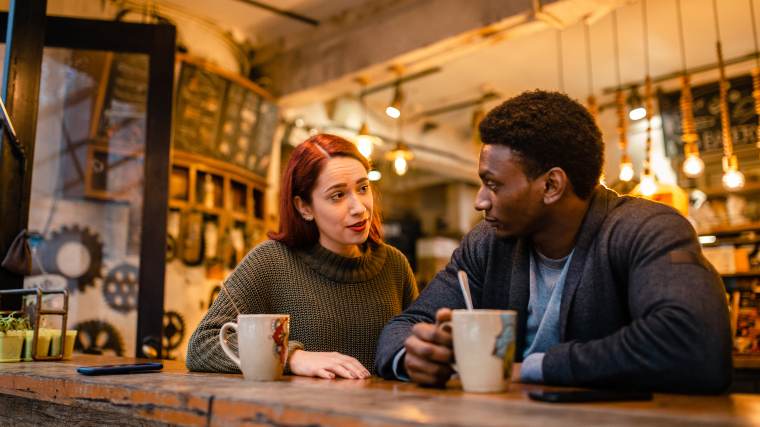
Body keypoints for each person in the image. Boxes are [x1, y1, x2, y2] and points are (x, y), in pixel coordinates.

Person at [375, 90, 732, 393]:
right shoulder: (486, 243)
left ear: (551, 185)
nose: (480, 201)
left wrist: (534, 368)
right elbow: (399, 329)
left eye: (494, 184)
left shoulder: (646, 229)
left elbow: (694, 344)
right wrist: (416, 355)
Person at [187, 134, 418, 379]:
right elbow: (202, 344)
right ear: (304, 207)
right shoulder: (271, 262)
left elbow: (416, 345)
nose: (359, 207)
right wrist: (291, 356)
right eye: (338, 195)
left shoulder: (395, 265)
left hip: (381, 414)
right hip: (297, 414)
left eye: (363, 188)